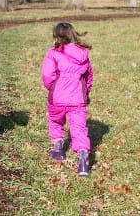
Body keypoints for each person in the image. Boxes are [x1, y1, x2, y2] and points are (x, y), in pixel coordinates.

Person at [41, 22, 93, 177]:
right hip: (78, 100)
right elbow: (88, 77)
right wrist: (85, 92)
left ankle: (58, 148)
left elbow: (47, 76)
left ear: (56, 37)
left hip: (57, 98)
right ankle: (83, 159)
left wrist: (52, 87)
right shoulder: (83, 54)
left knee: (55, 121)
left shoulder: (53, 53)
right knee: (79, 129)